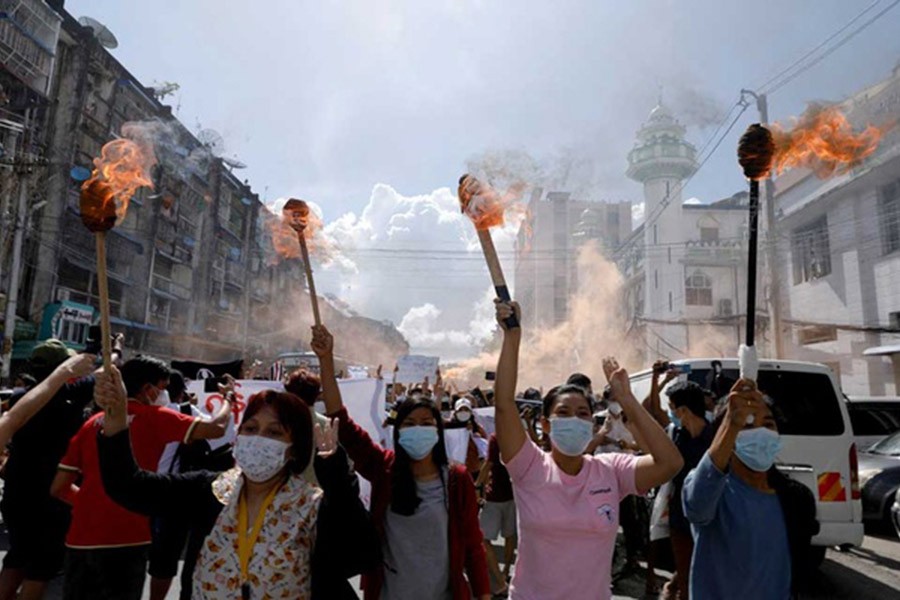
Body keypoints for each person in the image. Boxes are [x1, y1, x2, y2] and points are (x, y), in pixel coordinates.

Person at [93, 365, 380, 599]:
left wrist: (336, 475)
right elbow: (128, 486)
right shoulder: (208, 490)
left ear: (293, 448)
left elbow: (363, 554)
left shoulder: (311, 505)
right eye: (251, 428)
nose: (258, 439)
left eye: (274, 432)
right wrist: (116, 418)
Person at [492, 300, 683, 600]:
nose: (574, 419)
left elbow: (670, 463)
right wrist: (512, 337)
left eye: (582, 413)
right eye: (563, 413)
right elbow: (503, 405)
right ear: (546, 423)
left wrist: (628, 399)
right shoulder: (529, 465)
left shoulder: (610, 470)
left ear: (593, 424)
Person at [314, 325, 490, 600]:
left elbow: (473, 545)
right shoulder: (383, 468)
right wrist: (326, 360)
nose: (417, 429)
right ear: (397, 432)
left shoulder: (457, 479)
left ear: (438, 430)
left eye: (426, 423)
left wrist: (484, 595)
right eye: (409, 424)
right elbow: (342, 421)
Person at [51, 355, 231, 600]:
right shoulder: (155, 417)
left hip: (80, 539)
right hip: (128, 537)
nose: (163, 395)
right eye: (162, 388)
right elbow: (217, 428)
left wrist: (91, 503)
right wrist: (227, 399)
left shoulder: (90, 424)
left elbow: (59, 487)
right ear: (147, 389)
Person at [683, 379, 819, 599]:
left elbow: (799, 570)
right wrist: (732, 422)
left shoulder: (795, 498)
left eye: (768, 424)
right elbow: (696, 507)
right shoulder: (715, 493)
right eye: (747, 425)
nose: (761, 433)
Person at [0, 344, 98, 600]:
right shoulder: (71, 394)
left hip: (16, 491)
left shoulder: (19, 398)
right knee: (40, 568)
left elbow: (13, 419)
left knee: (19, 554)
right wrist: (66, 372)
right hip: (52, 495)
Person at [148, 371, 235, 600]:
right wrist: (228, 400)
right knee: (169, 556)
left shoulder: (127, 413)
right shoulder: (181, 414)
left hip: (142, 492)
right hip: (170, 494)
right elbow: (223, 434)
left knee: (154, 558)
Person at [665, 380, 716, 599]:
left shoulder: (715, 440)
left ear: (683, 410)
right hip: (681, 522)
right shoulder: (678, 436)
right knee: (688, 581)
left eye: (672, 408)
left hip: (711, 523)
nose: (671, 414)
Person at [475, 432, 517, 597]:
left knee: (483, 538)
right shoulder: (519, 437)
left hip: (495, 497)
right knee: (510, 535)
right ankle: (505, 572)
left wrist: (476, 485)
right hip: (513, 495)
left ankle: (500, 578)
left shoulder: (496, 437)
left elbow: (489, 463)